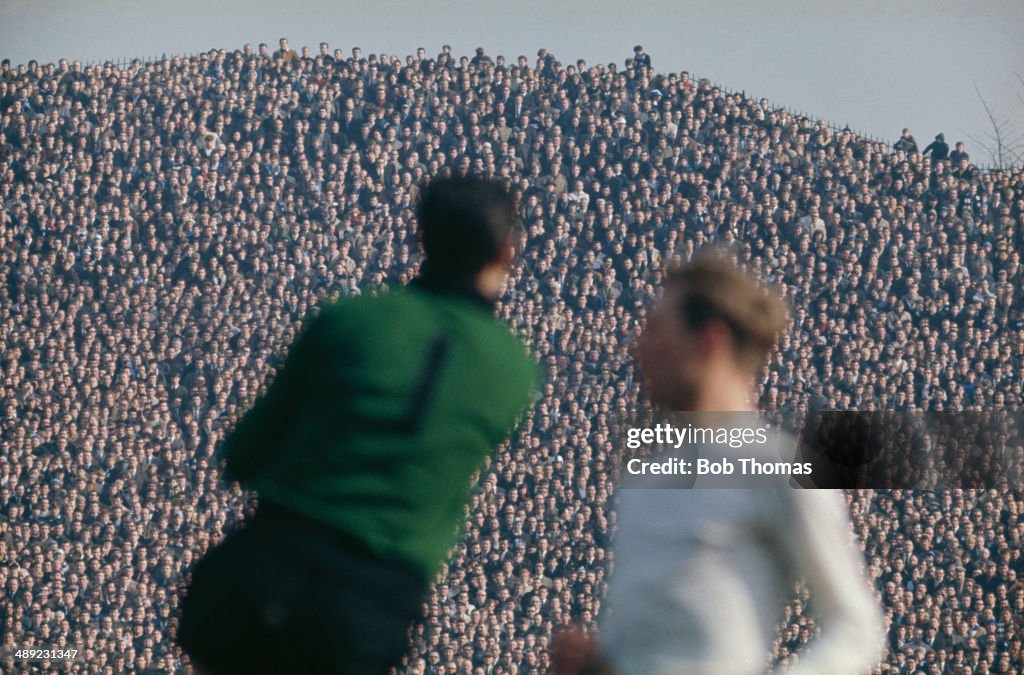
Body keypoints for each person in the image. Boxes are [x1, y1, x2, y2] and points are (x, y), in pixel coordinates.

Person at [177, 175, 538, 674]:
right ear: (507, 254)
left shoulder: (350, 321)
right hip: (367, 618)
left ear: (421, 239)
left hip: (259, 584)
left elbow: (243, 454)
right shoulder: (512, 371)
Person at [553, 249, 884, 674]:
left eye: (656, 330)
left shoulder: (780, 468)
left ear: (709, 341)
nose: (639, 347)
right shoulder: (646, 474)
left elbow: (856, 628)